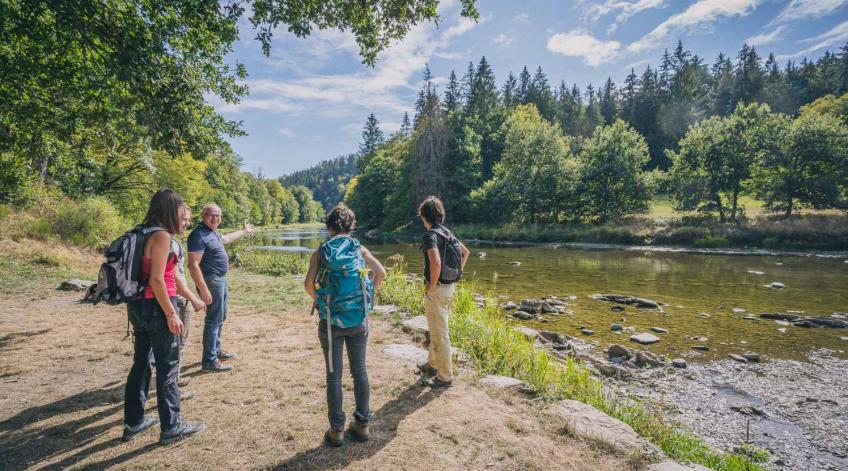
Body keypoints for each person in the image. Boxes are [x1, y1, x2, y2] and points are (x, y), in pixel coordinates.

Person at [123, 189, 205, 445]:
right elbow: (157, 279)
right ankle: (172, 426)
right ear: (170, 210)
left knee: (141, 364)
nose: (185, 218)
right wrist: (171, 313)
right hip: (157, 306)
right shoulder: (160, 236)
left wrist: (189, 299)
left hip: (137, 306)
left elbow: (164, 275)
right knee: (167, 368)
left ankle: (133, 422)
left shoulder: (141, 232)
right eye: (182, 212)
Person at [304, 203, 386, 447]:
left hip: (331, 322)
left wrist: (321, 301)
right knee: (359, 371)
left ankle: (337, 431)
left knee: (333, 375)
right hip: (359, 321)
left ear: (329, 226)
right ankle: (362, 426)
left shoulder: (321, 252)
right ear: (351, 226)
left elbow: (308, 285)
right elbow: (380, 272)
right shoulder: (358, 249)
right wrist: (367, 299)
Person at [187, 204, 252, 372]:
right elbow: (193, 265)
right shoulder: (198, 234)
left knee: (220, 317)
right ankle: (209, 361)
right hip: (211, 281)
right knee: (213, 320)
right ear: (203, 215)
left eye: (218, 215)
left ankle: (215, 351)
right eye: (211, 215)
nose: (215, 218)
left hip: (220, 280)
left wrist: (244, 231)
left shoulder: (212, 232)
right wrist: (203, 289)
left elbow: (227, 239)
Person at [417, 196, 470, 388]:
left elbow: (436, 262)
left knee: (440, 333)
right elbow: (465, 253)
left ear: (424, 216)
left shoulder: (430, 235)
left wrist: (431, 285)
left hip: (438, 289)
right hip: (449, 287)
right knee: (435, 328)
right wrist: (456, 274)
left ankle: (445, 376)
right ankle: (432, 365)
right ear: (440, 213)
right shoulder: (447, 232)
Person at [174, 204, 206, 397]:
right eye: (184, 219)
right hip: (176, 302)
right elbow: (172, 277)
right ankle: (172, 388)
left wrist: (244, 231)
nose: (187, 223)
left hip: (173, 301)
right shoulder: (164, 240)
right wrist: (194, 297)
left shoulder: (160, 238)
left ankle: (174, 381)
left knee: (176, 345)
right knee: (176, 345)